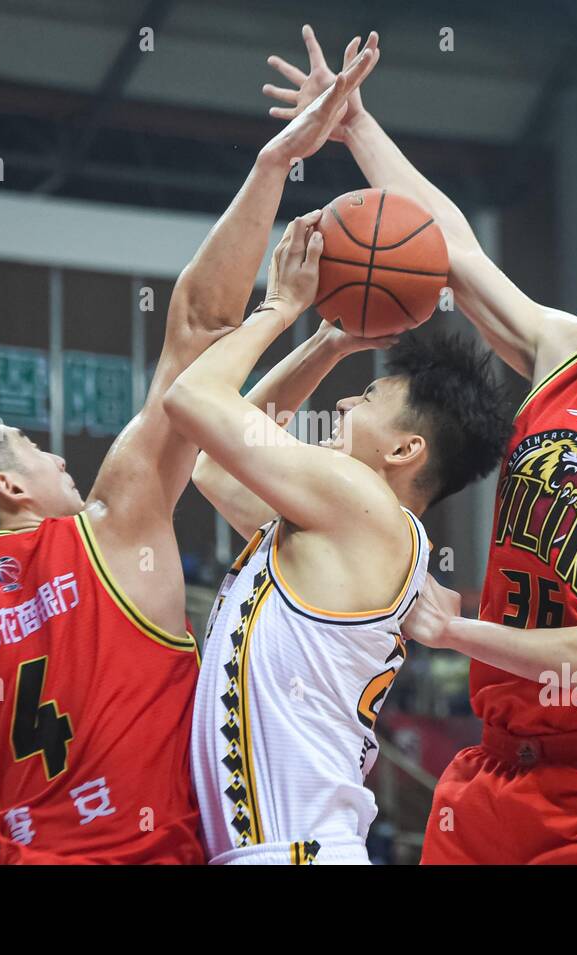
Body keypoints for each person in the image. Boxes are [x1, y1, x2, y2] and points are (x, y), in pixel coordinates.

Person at [0, 52, 375, 865]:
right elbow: (195, 324)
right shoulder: (113, 529)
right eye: (33, 444)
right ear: (9, 483)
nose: (57, 454)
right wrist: (273, 165)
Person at [267, 26, 577, 865]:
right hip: (496, 766)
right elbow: (454, 253)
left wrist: (451, 626)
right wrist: (355, 123)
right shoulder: (565, 355)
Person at [166, 209, 507, 864]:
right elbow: (213, 469)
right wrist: (327, 342)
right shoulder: (345, 522)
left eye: (370, 396)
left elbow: (193, 398)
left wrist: (278, 308)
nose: (346, 404)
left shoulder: (362, 506)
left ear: (408, 448)